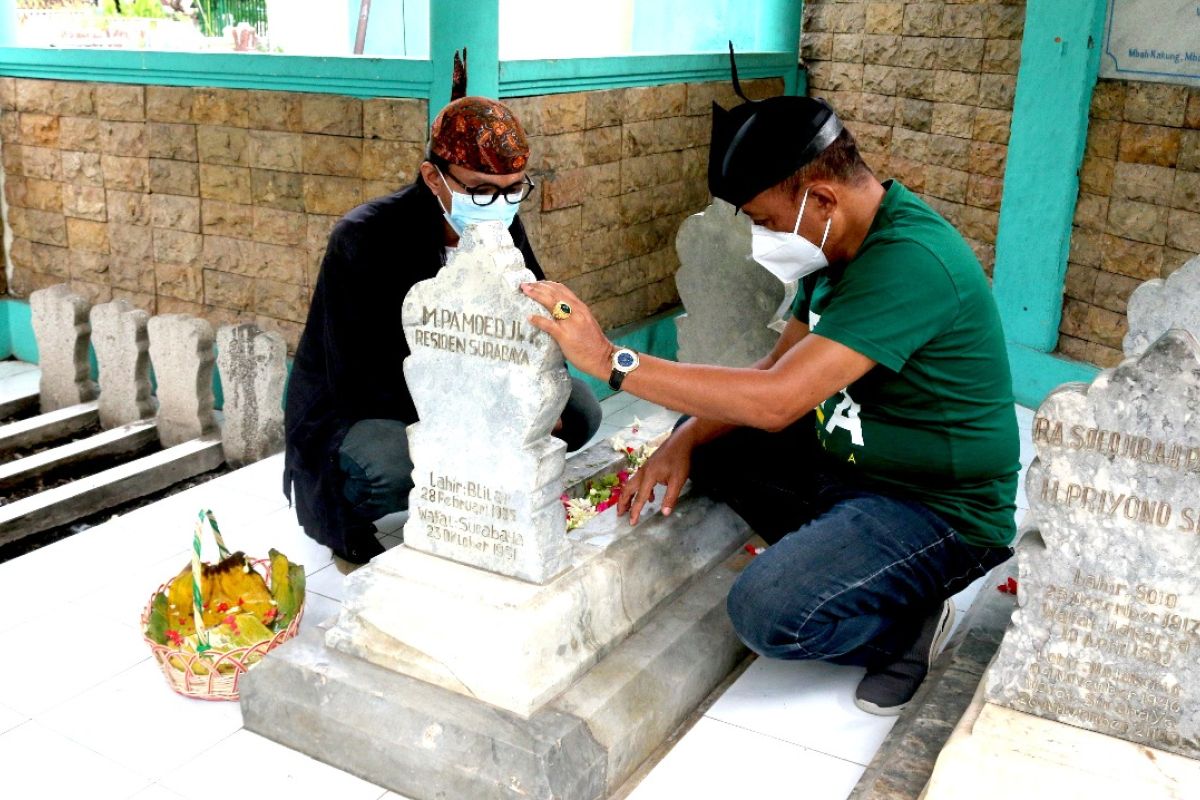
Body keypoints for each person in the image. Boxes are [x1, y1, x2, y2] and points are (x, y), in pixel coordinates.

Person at [520, 72, 1018, 715]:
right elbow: (772, 369)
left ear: (820, 198)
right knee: (705, 440)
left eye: (764, 220)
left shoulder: (910, 261)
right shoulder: (838, 244)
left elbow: (779, 399)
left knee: (768, 614)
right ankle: (845, 558)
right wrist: (687, 437)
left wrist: (610, 360)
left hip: (937, 507)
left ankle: (905, 626)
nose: (763, 238)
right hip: (853, 465)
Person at [284, 52, 602, 567]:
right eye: (480, 190)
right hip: (370, 404)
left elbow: (534, 313)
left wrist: (541, 390)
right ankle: (351, 517)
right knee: (386, 465)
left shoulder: (498, 223)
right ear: (434, 179)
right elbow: (359, 376)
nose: (500, 203)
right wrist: (479, 419)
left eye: (513, 190)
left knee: (578, 411)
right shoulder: (364, 238)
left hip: (475, 379)